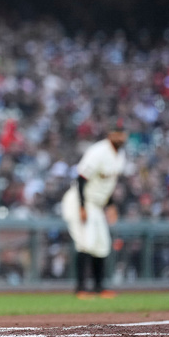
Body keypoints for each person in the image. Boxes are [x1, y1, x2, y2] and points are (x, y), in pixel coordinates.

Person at [61, 122, 127, 298]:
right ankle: (81, 288)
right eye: (117, 133)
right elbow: (81, 179)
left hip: (97, 204)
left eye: (123, 133)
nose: (121, 137)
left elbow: (107, 185)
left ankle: (99, 287)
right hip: (79, 200)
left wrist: (111, 205)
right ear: (109, 134)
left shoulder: (120, 155)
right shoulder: (98, 152)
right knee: (86, 242)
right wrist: (82, 207)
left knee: (102, 245)